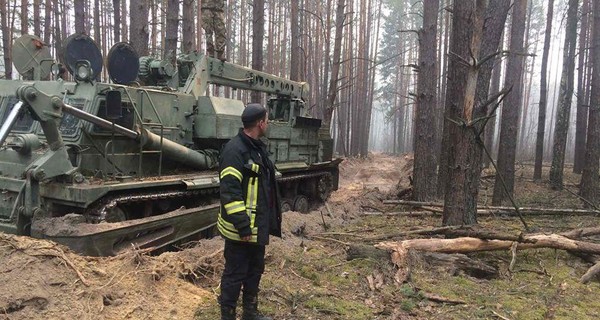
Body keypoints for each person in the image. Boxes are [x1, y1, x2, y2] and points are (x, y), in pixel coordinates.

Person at [217, 103, 282, 320]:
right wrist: (243, 224)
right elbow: (230, 192)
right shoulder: (235, 151)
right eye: (267, 120)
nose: (268, 123)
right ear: (260, 123)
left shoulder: (257, 148)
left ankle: (250, 313)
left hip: (256, 227)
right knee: (235, 274)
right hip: (241, 230)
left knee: (255, 271)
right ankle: (228, 315)